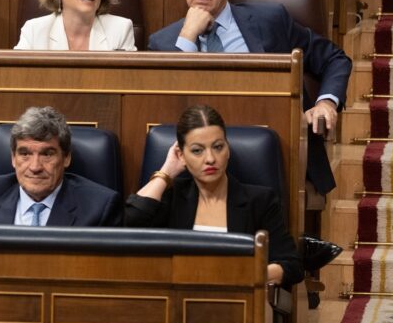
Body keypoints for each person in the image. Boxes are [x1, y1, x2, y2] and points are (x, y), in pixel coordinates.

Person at [147, 0, 351, 195]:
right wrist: (187, 37)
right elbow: (166, 106)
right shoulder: (163, 42)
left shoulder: (270, 20)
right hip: (196, 161)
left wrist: (326, 103)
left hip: (272, 150)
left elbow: (334, 58)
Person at [124, 104, 302, 286]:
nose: (210, 158)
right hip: (178, 297)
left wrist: (240, 275)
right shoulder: (172, 196)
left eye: (218, 147)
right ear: (181, 155)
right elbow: (131, 226)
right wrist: (166, 172)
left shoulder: (260, 201)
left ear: (228, 149)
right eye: (197, 150)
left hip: (237, 298)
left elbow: (292, 266)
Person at [0, 106, 122, 226]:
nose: (35, 167)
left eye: (47, 154)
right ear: (13, 158)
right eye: (25, 154)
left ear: (66, 158)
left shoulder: (99, 208)